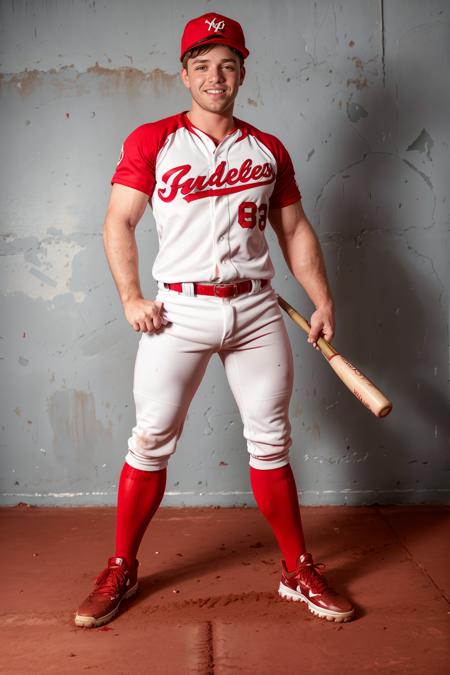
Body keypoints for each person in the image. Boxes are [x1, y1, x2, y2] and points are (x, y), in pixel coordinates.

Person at [74, 12, 354, 628]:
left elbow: (295, 229)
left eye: (227, 64)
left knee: (271, 441)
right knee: (149, 440)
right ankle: (122, 565)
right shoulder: (154, 139)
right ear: (185, 75)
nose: (215, 76)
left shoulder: (266, 148)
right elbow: (118, 221)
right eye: (202, 65)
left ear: (241, 72)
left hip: (256, 308)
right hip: (178, 309)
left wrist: (323, 299)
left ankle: (297, 569)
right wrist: (129, 297)